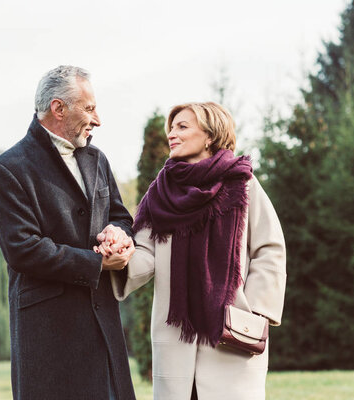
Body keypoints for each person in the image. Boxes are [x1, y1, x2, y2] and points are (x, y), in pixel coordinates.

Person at [98, 102, 286, 400]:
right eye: (171, 128)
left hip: (232, 335)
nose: (172, 134)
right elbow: (145, 253)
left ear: (210, 134)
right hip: (176, 338)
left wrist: (256, 311)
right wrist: (118, 258)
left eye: (182, 127)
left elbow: (270, 249)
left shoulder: (243, 183)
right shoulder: (160, 192)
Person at [0, 65, 137, 400]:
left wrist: (119, 234)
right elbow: (23, 249)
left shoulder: (97, 158)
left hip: (103, 327)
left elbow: (120, 215)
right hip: (49, 337)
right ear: (58, 108)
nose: (97, 119)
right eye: (90, 108)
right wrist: (97, 264)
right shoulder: (7, 169)